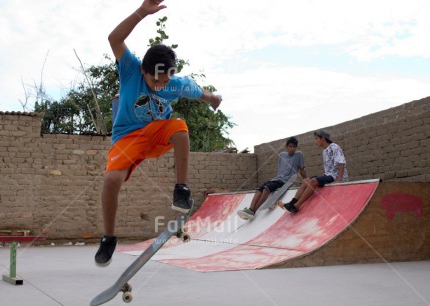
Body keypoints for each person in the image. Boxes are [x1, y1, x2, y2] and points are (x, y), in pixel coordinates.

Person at [95, 0, 222, 266]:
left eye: (163, 82)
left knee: (180, 127)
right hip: (127, 137)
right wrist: (142, 12)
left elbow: (200, 93)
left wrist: (213, 99)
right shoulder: (131, 70)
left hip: (155, 134)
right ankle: (109, 237)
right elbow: (113, 38)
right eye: (154, 81)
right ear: (144, 70)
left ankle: (181, 188)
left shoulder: (176, 84)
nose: (159, 86)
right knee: (110, 181)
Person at [278, 129, 348, 214]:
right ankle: (291, 203)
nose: (315, 141)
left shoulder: (334, 147)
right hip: (328, 176)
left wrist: (339, 180)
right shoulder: (324, 151)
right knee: (306, 181)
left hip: (335, 176)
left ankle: (296, 206)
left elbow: (341, 162)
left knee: (313, 181)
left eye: (316, 139)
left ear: (322, 138)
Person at [237, 137, 306, 220]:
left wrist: (305, 180)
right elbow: (281, 170)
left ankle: (253, 211)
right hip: (277, 178)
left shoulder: (298, 155)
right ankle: (250, 209)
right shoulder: (282, 155)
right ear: (286, 147)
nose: (292, 149)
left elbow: (302, 169)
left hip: (285, 180)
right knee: (259, 189)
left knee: (266, 189)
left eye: (294, 147)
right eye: (290, 146)